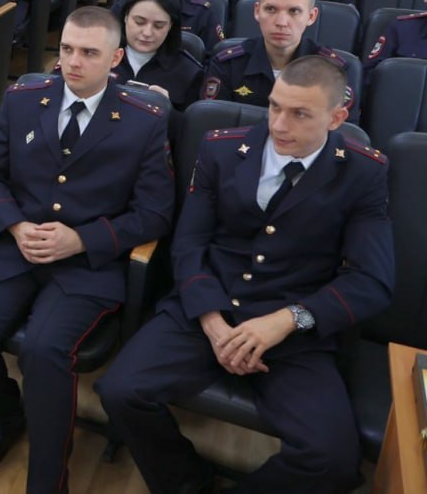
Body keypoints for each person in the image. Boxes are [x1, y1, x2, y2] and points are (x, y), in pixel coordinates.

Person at [97, 58, 393, 494]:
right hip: (207, 306)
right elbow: (190, 244)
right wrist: (213, 323)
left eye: (300, 114)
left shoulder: (363, 172)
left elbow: (372, 280)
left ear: (337, 118)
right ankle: (185, 482)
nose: (278, 124)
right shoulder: (221, 148)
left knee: (332, 460)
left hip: (292, 326)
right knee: (120, 391)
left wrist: (286, 320)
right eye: (274, 107)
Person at [0, 7, 173, 490]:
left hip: (88, 262)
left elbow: (154, 214)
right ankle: (5, 418)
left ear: (116, 58)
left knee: (44, 352)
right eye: (66, 48)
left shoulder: (143, 120)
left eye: (89, 52)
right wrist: (14, 223)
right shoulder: (24, 97)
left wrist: (81, 239)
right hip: (17, 245)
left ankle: (48, 480)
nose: (73, 62)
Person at [204, 0, 357, 114]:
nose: (281, 22)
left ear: (311, 16)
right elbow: (214, 126)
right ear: (257, 11)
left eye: (294, 11)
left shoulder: (335, 72)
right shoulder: (227, 65)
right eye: (271, 9)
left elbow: (341, 133)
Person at [110, 0, 203, 109]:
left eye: (158, 26)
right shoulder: (101, 55)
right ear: (126, 17)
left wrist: (166, 107)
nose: (147, 33)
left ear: (170, 26)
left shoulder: (189, 72)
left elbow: (187, 126)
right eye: (139, 22)